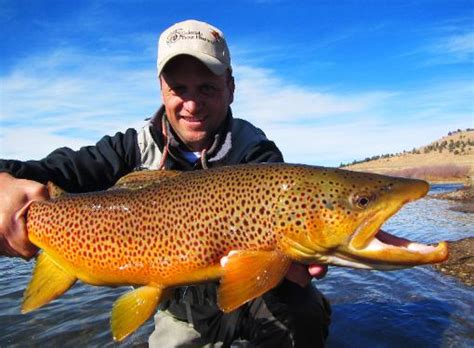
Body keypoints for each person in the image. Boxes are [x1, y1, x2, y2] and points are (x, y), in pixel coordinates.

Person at [0, 20, 331, 347]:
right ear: (161, 87)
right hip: (181, 311)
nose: (191, 104)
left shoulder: (256, 153)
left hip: (258, 299)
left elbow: (297, 227)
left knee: (305, 308)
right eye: (179, 89)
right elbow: (41, 172)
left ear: (230, 87)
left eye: (207, 88)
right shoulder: (128, 147)